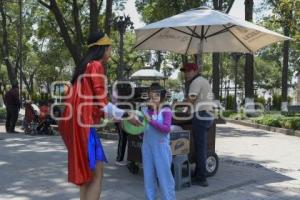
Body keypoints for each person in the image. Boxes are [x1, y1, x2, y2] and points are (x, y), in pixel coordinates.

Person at [59, 32, 141, 200]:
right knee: (97, 175)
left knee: (87, 177)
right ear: (102, 49)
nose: (110, 52)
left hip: (76, 126)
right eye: (109, 48)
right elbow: (103, 104)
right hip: (84, 127)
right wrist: (127, 114)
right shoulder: (96, 66)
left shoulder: (83, 67)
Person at [180, 63, 214, 187]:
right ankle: (199, 173)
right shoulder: (203, 80)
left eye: (188, 71)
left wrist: (177, 104)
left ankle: (201, 178)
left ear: (195, 71)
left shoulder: (196, 82)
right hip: (206, 114)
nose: (186, 74)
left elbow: (191, 99)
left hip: (201, 115)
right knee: (201, 147)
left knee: (200, 148)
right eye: (185, 71)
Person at [142, 83, 176, 200]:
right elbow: (142, 127)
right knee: (148, 177)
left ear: (161, 96)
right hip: (147, 147)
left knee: (164, 177)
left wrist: (151, 120)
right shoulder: (147, 110)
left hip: (161, 148)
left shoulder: (166, 110)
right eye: (150, 97)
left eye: (154, 96)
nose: (151, 99)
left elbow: (166, 129)